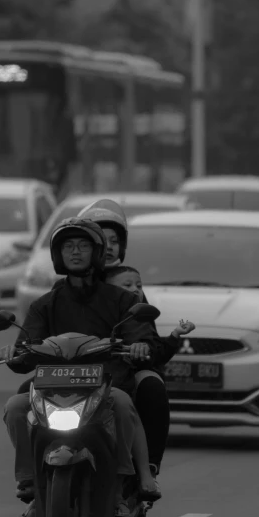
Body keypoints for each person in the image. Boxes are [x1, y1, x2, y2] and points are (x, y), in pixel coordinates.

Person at [0, 218, 162, 517]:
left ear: (97, 252)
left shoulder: (122, 300)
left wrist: (141, 346)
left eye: (83, 246)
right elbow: (25, 351)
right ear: (58, 254)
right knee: (15, 407)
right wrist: (13, 353)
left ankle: (120, 486)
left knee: (124, 404)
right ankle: (31, 483)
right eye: (68, 246)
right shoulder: (45, 304)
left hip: (105, 385)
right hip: (52, 386)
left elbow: (144, 336)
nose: (75, 252)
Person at [76, 199, 173, 479]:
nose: (108, 247)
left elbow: (147, 335)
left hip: (123, 368)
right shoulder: (69, 285)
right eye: (99, 240)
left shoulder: (129, 283)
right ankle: (35, 476)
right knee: (26, 394)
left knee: (152, 387)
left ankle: (148, 467)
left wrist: (140, 350)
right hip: (76, 369)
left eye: (114, 241)